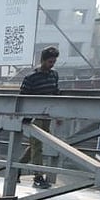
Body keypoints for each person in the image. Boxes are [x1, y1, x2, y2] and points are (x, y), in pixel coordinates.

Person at [19, 46, 60, 188]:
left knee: (35, 146)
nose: (52, 64)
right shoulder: (31, 78)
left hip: (46, 116)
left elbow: (56, 94)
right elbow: (22, 98)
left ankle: (17, 168)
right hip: (33, 116)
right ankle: (38, 177)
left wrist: (58, 114)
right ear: (43, 60)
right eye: (50, 62)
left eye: (54, 62)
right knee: (37, 147)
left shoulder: (54, 75)